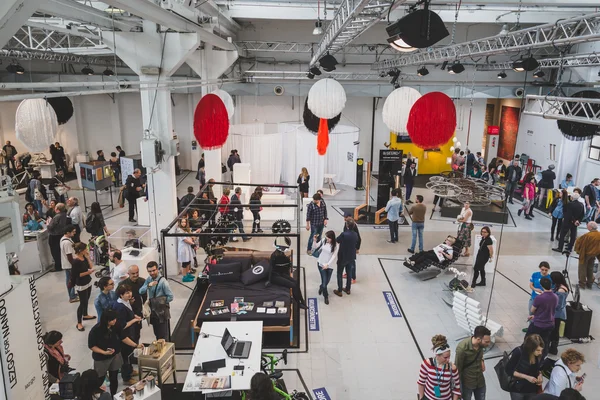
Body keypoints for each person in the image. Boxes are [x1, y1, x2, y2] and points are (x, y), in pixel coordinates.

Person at [88, 309, 124, 396]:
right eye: (112, 319)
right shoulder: (96, 330)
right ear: (106, 320)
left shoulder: (116, 325)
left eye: (115, 318)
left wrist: (135, 345)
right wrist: (103, 352)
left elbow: (122, 337)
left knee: (114, 377)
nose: (115, 321)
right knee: (99, 379)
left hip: (115, 355)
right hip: (101, 358)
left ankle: (113, 396)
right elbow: (92, 346)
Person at [113, 284, 143, 385]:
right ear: (121, 295)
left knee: (129, 354)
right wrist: (134, 320)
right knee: (125, 357)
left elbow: (129, 313)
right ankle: (126, 378)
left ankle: (130, 371)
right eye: (126, 293)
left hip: (130, 333)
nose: (129, 294)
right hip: (123, 336)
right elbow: (122, 325)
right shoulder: (120, 307)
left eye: (130, 292)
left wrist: (135, 316)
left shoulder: (126, 302)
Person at [266, 238, 308, 309]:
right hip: (275, 276)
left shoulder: (282, 254)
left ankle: (301, 300)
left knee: (295, 282)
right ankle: (298, 303)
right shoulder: (274, 256)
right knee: (293, 285)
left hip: (281, 273)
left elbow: (285, 266)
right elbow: (270, 268)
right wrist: (269, 280)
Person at [417, 334, 461, 400]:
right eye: (445, 357)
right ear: (437, 355)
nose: (448, 359)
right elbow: (421, 382)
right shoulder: (426, 364)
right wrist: (421, 398)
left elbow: (457, 387)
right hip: (429, 398)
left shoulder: (452, 368)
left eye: (449, 356)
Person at [455, 326, 491, 400]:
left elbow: (480, 355)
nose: (489, 344)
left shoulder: (481, 345)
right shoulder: (462, 348)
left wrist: (482, 361)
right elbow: (457, 368)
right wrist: (458, 388)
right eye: (486, 342)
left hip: (480, 381)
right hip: (467, 383)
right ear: (478, 339)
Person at [139, 261, 174, 340]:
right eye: (150, 271)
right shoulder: (149, 279)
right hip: (153, 310)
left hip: (161, 311)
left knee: (163, 334)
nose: (152, 273)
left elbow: (170, 297)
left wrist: (159, 302)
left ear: (157, 269)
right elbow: (140, 291)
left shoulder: (163, 282)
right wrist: (148, 285)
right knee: (157, 333)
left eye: (154, 270)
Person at [526, 277, 558, 359]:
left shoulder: (539, 298)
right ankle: (543, 356)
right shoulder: (555, 297)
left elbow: (532, 310)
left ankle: (528, 355)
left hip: (538, 324)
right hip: (550, 323)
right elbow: (549, 309)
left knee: (529, 339)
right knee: (545, 341)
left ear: (541, 285)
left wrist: (535, 315)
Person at [506, 334, 545, 400]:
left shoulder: (538, 355)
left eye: (541, 350)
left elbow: (538, 369)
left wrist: (540, 375)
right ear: (531, 348)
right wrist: (526, 377)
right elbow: (508, 370)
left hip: (532, 389)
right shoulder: (519, 352)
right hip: (518, 389)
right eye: (538, 350)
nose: (540, 353)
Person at [71, 242, 96, 331]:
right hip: (81, 284)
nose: (87, 250)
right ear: (80, 250)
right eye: (85, 249)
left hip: (87, 281)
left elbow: (90, 266)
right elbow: (77, 275)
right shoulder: (75, 261)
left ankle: (85, 314)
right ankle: (79, 322)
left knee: (86, 300)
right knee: (82, 303)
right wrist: (88, 272)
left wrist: (88, 257)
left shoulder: (84, 257)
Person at [118, 265, 147, 340]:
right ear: (128, 273)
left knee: (137, 334)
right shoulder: (122, 285)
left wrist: (144, 310)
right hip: (126, 314)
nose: (136, 275)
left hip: (138, 312)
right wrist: (128, 302)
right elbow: (118, 300)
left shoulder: (142, 281)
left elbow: (145, 297)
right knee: (128, 335)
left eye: (137, 272)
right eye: (133, 273)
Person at [333, 220, 359, 297]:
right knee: (349, 273)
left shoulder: (344, 234)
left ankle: (340, 290)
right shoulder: (355, 234)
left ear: (347, 226)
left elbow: (337, 240)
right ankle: (348, 289)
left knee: (339, 273)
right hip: (351, 257)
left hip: (343, 257)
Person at [312, 230, 339, 305]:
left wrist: (328, 264)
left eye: (328, 238)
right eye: (326, 238)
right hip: (321, 263)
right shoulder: (324, 240)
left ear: (332, 238)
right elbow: (316, 246)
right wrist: (314, 241)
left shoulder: (336, 245)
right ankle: (326, 296)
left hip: (329, 266)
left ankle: (321, 287)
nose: (327, 239)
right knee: (324, 283)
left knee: (326, 281)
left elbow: (334, 256)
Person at [574, 222, 600, 289]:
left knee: (582, 268)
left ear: (591, 227)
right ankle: (589, 284)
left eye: (588, 226)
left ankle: (582, 284)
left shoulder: (587, 235)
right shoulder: (599, 234)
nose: (587, 227)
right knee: (590, 268)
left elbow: (580, 244)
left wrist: (578, 251)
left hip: (586, 254)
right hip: (594, 254)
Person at [526, 262, 551, 330]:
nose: (544, 271)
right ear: (540, 268)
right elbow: (531, 285)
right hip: (534, 297)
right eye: (542, 269)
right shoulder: (535, 275)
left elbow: (551, 289)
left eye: (546, 270)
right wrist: (535, 289)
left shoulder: (549, 278)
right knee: (531, 312)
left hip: (544, 299)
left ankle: (537, 327)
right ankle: (530, 327)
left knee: (540, 314)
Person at [549, 272, 569, 355]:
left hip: (557, 314)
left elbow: (559, 305)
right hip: (555, 312)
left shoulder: (561, 290)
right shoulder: (558, 286)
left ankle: (553, 348)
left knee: (554, 331)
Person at [48, 203, 69, 272]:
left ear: (57, 209)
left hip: (54, 235)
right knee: (60, 251)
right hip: (61, 234)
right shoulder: (64, 215)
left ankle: (57, 266)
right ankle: (60, 264)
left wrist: (48, 223)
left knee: (55, 251)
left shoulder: (57, 216)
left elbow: (51, 226)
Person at [60, 224, 78, 303]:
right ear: (68, 232)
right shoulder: (67, 243)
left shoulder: (64, 239)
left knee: (70, 280)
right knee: (71, 281)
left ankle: (72, 294)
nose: (74, 233)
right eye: (73, 232)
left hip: (67, 264)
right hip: (69, 265)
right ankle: (72, 296)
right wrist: (74, 264)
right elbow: (69, 255)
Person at [342, 215, 361, 283]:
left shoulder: (354, 227)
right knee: (346, 261)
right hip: (345, 247)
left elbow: (359, 238)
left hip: (352, 248)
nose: (344, 218)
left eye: (345, 217)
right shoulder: (345, 224)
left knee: (352, 262)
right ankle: (348, 273)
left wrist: (357, 248)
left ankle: (353, 277)